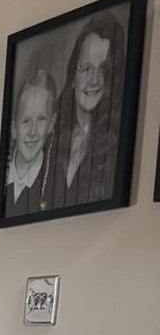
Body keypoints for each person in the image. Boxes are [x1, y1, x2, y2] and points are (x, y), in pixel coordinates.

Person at [49, 11, 125, 209]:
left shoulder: (118, 143)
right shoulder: (48, 132)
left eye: (103, 70)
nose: (94, 81)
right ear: (73, 75)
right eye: (86, 68)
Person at [4, 68, 57, 218]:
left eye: (41, 119)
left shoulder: (56, 181)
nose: (33, 131)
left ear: (52, 123)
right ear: (14, 128)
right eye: (26, 121)